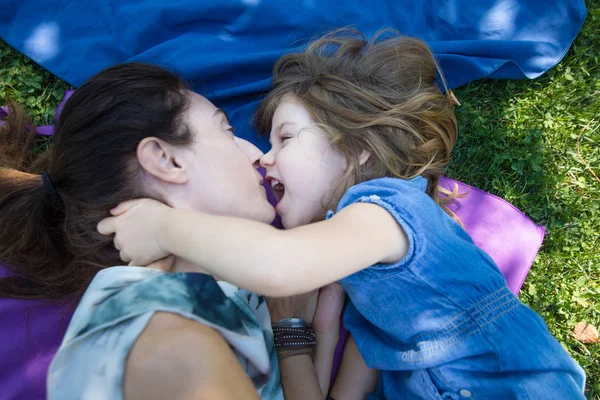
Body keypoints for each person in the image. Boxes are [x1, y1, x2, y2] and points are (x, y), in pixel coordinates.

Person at [100, 29, 587, 399]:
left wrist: (163, 227)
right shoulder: (364, 277)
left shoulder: (387, 209)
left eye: (285, 138)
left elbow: (277, 265)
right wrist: (307, 332)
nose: (264, 158)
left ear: (353, 149)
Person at [0, 62, 337, 399]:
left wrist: (290, 333)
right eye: (228, 131)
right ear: (166, 160)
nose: (257, 155)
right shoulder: (166, 342)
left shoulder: (231, 287)